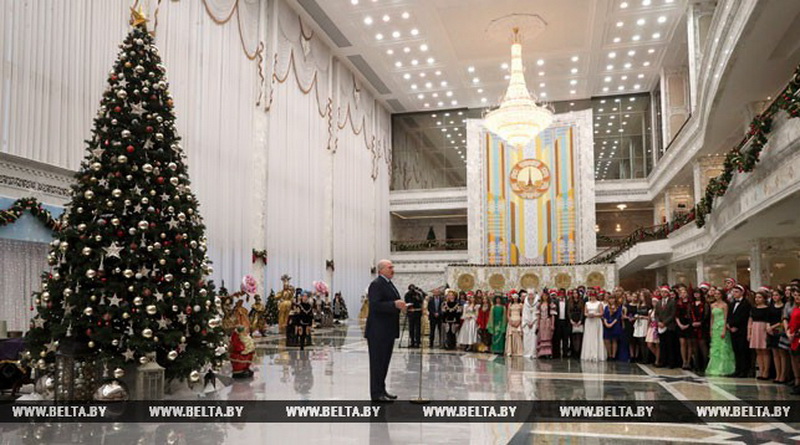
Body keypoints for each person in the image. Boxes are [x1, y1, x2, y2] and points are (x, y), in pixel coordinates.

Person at [364, 259, 406, 402]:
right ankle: (376, 393)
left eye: (392, 267)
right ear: (381, 270)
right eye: (390, 267)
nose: (392, 269)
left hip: (387, 330)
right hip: (378, 331)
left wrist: (400, 306)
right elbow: (375, 305)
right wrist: (394, 304)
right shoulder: (376, 285)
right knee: (377, 363)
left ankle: (382, 390)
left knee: (384, 362)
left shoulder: (388, 284)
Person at [706, 288, 735, 377]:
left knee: (723, 347)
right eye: (715, 294)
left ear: (722, 295)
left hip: (722, 326)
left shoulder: (725, 305)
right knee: (716, 347)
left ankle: (723, 367)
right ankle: (715, 367)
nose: (716, 295)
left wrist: (724, 329)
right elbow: (712, 318)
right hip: (715, 327)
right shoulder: (712, 305)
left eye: (718, 294)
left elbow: (726, 318)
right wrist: (711, 329)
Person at [727, 284, 752, 377]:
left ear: (742, 292)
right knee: (736, 350)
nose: (734, 294)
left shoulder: (746, 304)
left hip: (741, 330)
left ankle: (744, 370)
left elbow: (744, 317)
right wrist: (729, 325)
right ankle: (737, 369)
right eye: (733, 292)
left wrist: (736, 326)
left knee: (743, 350)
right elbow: (729, 315)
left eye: (736, 292)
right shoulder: (732, 303)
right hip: (732, 330)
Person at [748, 289, 772, 380]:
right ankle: (761, 370)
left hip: (763, 328)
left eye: (759, 297)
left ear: (764, 299)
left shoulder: (767, 309)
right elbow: (750, 321)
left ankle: (766, 371)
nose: (757, 299)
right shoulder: (753, 309)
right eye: (756, 297)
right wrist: (749, 333)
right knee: (758, 351)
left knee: (765, 350)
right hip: (755, 328)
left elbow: (767, 320)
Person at [769, 288, 789, 383]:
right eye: (773, 295)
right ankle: (777, 374)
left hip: (779, 329)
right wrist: (768, 327)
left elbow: (783, 319)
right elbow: (767, 317)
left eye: (776, 295)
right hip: (771, 331)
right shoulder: (771, 306)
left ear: (781, 296)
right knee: (775, 354)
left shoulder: (784, 306)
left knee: (782, 354)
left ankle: (783, 375)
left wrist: (773, 326)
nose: (774, 297)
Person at [656, 285, 679, 368]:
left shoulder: (672, 302)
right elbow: (656, 314)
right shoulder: (658, 302)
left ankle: (671, 362)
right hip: (660, 326)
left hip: (669, 326)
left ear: (668, 293)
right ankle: (663, 361)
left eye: (665, 292)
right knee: (662, 345)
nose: (663, 293)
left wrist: (664, 323)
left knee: (670, 345)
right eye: (662, 292)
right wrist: (658, 322)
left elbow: (672, 314)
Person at [581, 288, 607, 362]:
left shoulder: (599, 303)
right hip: (589, 322)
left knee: (596, 336)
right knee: (589, 337)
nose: (592, 297)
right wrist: (588, 315)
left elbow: (602, 313)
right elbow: (585, 313)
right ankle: (588, 354)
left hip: (596, 321)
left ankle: (596, 354)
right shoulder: (587, 303)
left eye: (594, 295)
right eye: (591, 295)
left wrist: (595, 315)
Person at [676, 288, 694, 370]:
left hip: (689, 324)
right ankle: (684, 361)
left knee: (689, 343)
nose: (683, 294)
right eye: (681, 293)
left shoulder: (691, 303)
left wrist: (688, 325)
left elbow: (693, 315)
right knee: (682, 343)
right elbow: (676, 315)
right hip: (680, 323)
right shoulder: (678, 303)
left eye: (684, 292)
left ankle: (689, 361)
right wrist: (680, 324)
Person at [603, 295, 623, 360]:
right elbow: (605, 316)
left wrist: (611, 324)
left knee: (614, 340)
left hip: (615, 324)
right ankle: (609, 355)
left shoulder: (619, 307)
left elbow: (617, 317)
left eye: (613, 299)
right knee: (607, 340)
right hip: (607, 324)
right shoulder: (606, 307)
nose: (611, 300)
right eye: (610, 299)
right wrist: (606, 323)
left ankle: (614, 355)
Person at [552, 289, 571, 358]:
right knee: (557, 338)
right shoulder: (555, 302)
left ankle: (565, 353)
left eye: (563, 293)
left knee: (565, 338)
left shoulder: (568, 301)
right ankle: (557, 354)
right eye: (560, 293)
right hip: (558, 322)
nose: (562, 294)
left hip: (565, 322)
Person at [536, 291, 555, 358]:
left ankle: (548, 352)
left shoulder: (550, 304)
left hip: (547, 321)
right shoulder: (539, 304)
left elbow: (552, 315)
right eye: (543, 296)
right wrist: (538, 324)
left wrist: (552, 324)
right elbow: (538, 315)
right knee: (542, 336)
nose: (544, 297)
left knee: (547, 336)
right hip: (542, 321)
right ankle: (542, 352)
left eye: (546, 296)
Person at [522, 290, 539, 359]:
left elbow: (537, 313)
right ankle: (527, 352)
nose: (531, 296)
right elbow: (524, 314)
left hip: (534, 322)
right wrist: (527, 322)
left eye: (532, 294)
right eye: (529, 294)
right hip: (527, 323)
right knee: (527, 338)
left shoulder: (537, 303)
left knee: (534, 338)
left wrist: (533, 321)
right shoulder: (525, 304)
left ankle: (533, 353)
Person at [568, 290, 584, 358]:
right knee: (572, 337)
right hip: (572, 321)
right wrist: (570, 320)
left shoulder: (581, 301)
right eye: (573, 293)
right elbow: (568, 311)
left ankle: (578, 352)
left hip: (579, 320)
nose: (575, 294)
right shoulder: (570, 301)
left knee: (579, 337)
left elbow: (582, 312)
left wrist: (580, 320)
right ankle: (573, 352)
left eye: (576, 293)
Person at [645, 296, 660, 366]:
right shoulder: (650, 311)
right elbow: (649, 320)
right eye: (653, 302)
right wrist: (647, 328)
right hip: (651, 328)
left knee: (657, 344)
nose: (654, 303)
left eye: (655, 302)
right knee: (649, 344)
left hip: (657, 327)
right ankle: (657, 356)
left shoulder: (660, 310)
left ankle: (657, 360)